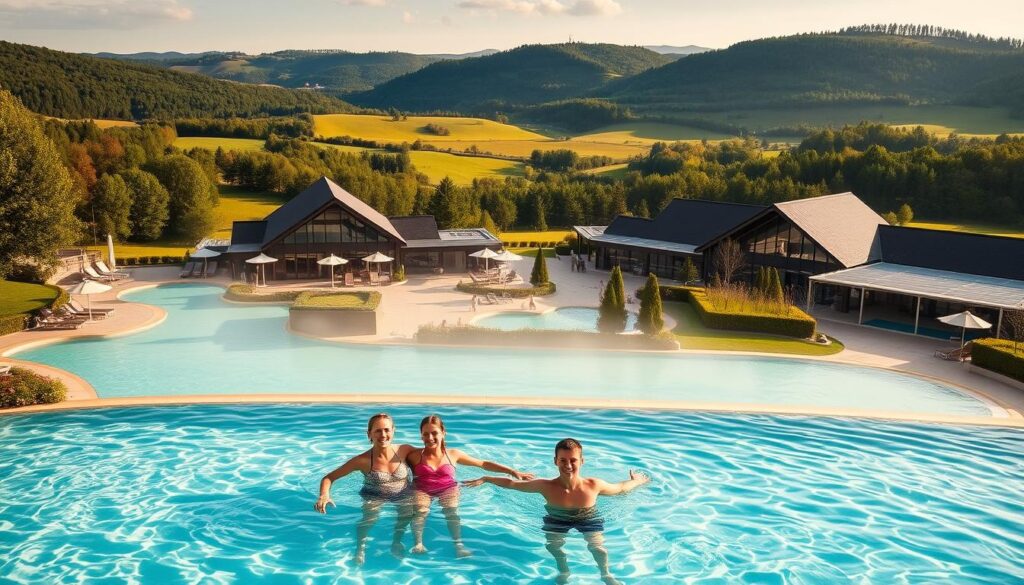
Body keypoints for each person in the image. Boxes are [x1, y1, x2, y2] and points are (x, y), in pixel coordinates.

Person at [465, 438, 649, 584]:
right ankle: (564, 570)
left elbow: (620, 488)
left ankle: (606, 574)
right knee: (553, 545)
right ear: (555, 461)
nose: (568, 465)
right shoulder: (545, 486)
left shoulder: (593, 485)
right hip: (557, 517)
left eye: (573, 460)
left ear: (582, 461)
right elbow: (513, 484)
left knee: (599, 548)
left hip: (587, 517)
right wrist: (487, 478)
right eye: (563, 460)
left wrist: (637, 481)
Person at [407, 414, 535, 558]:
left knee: (451, 512)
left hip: (448, 489)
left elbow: (483, 464)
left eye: (434, 433)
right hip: (422, 490)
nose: (430, 438)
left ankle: (458, 546)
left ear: (443, 433)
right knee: (421, 511)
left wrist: (511, 471)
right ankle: (418, 544)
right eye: (426, 434)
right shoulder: (414, 455)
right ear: (421, 436)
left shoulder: (454, 454)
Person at [313, 413, 416, 565]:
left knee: (407, 514)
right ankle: (360, 548)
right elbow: (329, 477)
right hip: (374, 494)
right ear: (369, 434)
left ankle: (396, 541)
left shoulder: (405, 450)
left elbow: (431, 456)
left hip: (402, 493)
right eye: (378, 431)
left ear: (393, 431)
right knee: (369, 519)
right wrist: (324, 496)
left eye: (387, 430)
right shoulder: (362, 460)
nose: (383, 434)